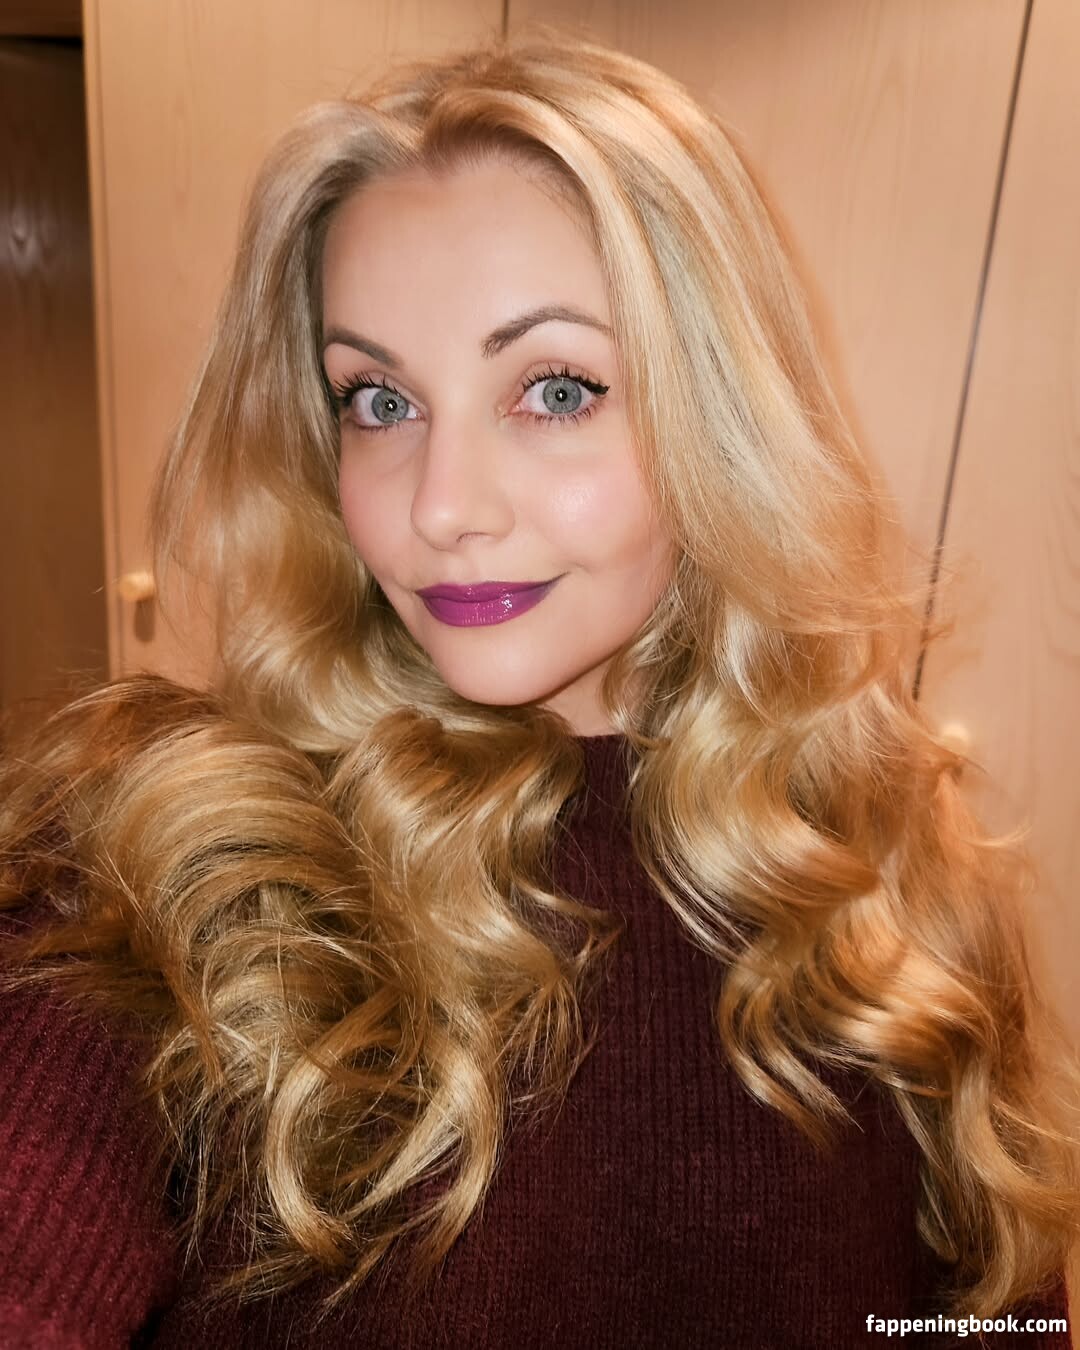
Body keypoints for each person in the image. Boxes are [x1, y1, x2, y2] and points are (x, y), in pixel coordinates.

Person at [0, 26, 1077, 1350]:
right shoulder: (166, 849)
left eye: (556, 389)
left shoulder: (896, 867)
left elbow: (999, 1318)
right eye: (378, 400)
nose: (442, 506)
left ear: (717, 417)